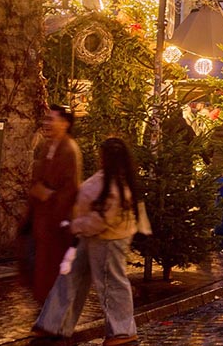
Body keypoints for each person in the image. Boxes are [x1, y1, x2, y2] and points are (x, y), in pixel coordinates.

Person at [33, 137, 141, 345]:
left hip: (108, 240)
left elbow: (101, 219)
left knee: (111, 284)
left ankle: (122, 332)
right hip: (92, 237)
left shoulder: (116, 187)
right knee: (70, 277)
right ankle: (53, 323)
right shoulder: (109, 178)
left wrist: (76, 225)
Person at [25, 105, 82, 304]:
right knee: (39, 265)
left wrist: (49, 196)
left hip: (56, 220)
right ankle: (44, 308)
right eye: (47, 119)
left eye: (52, 119)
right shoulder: (48, 146)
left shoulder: (68, 150)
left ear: (65, 124)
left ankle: (54, 314)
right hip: (42, 218)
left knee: (53, 267)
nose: (47, 123)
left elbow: (70, 188)